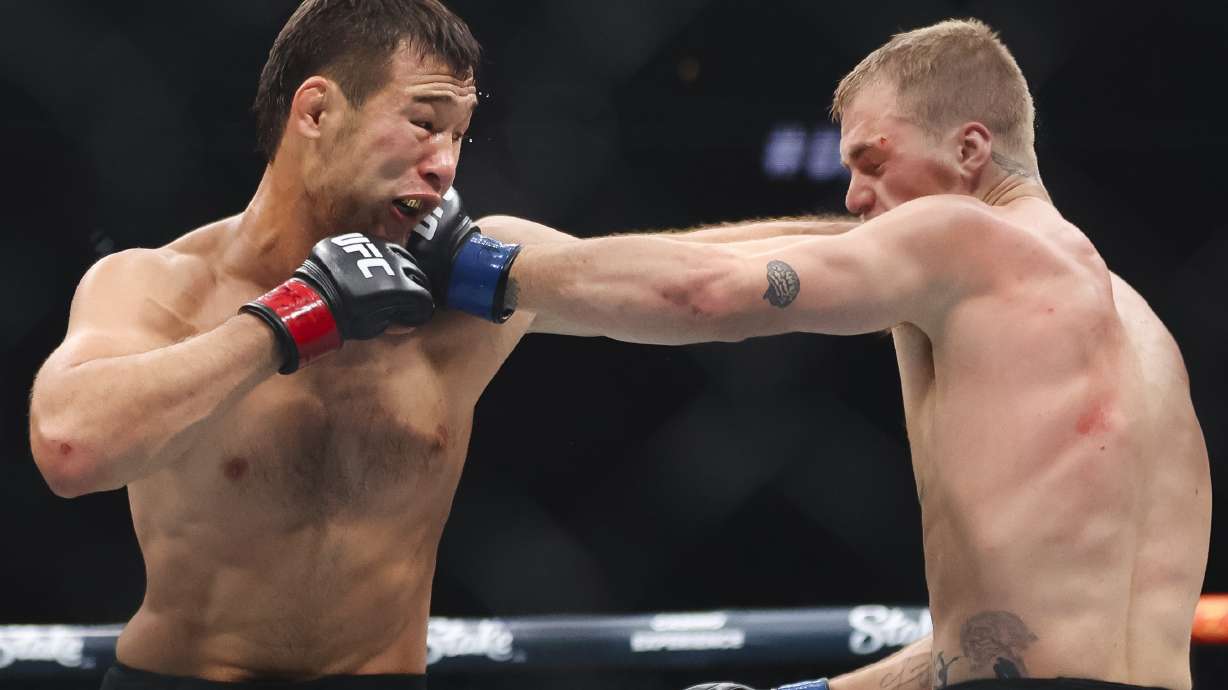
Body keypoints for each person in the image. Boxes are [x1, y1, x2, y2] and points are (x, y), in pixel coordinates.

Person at [26, 1, 849, 687]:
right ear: (315, 111)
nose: (445, 167)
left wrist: (891, 236)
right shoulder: (163, 286)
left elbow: (698, 272)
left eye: (458, 136)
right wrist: (289, 319)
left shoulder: (473, 280)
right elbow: (70, 445)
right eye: (422, 125)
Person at [427, 18, 1211, 690]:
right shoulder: (1140, 330)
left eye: (872, 160)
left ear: (971, 148)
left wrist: (473, 263)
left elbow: (707, 293)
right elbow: (1003, 646)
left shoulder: (961, 241)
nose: (854, 195)